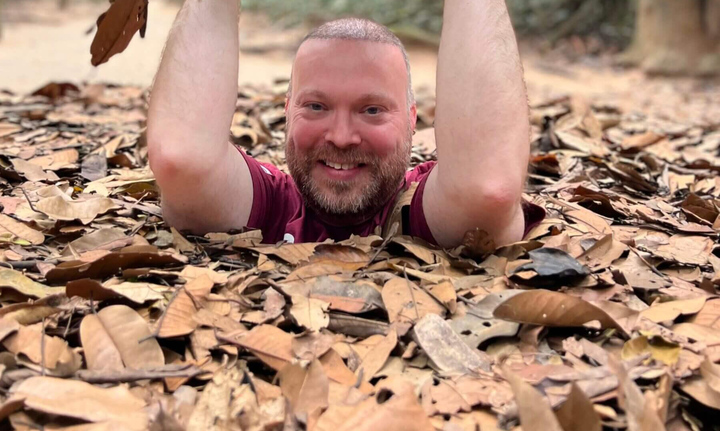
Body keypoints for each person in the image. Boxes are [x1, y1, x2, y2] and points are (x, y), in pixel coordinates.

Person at [147, 0, 544, 248]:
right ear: (288, 111)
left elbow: (487, 187)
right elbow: (182, 159)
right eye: (316, 106)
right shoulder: (270, 206)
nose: (340, 137)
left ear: (411, 120)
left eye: (371, 110)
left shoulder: (421, 211)